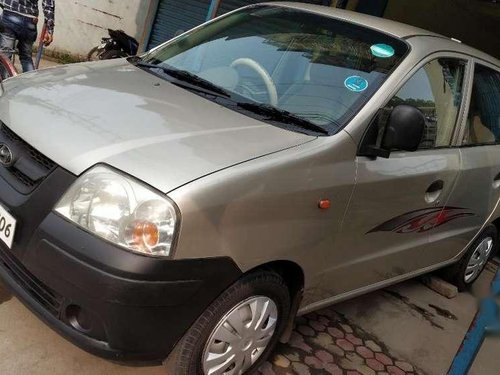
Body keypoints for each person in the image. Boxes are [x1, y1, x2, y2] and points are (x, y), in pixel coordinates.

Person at [0, 0, 54, 72]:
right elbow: (49, 4)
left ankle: (5, 82)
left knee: (5, 57)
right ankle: (30, 82)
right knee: (26, 58)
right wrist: (50, 30)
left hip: (10, 15)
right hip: (30, 21)